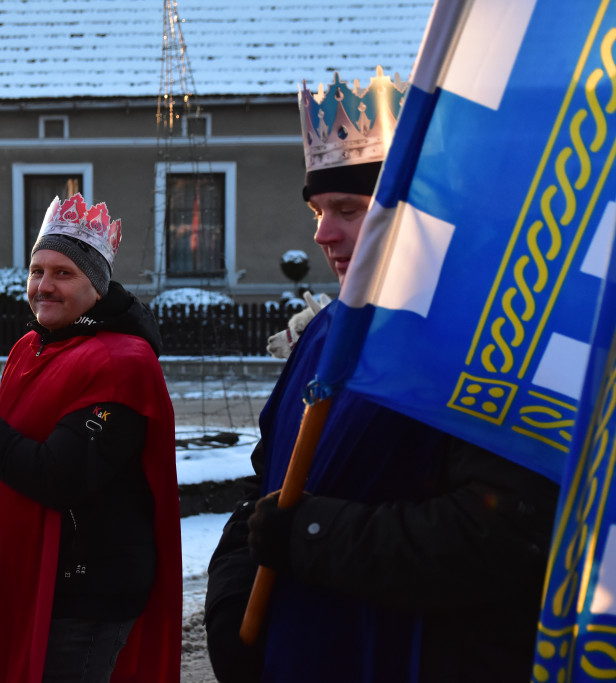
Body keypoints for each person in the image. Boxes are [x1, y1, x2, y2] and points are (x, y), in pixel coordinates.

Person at [203, 69, 559, 683]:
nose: (322, 233)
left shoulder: (484, 342)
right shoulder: (323, 333)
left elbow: (503, 532)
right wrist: (233, 605)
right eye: (317, 209)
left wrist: (311, 534)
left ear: (415, 213)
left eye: (347, 209)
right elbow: (265, 491)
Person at [0, 193, 182, 683]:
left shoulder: (121, 363)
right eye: (36, 271)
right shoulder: (30, 347)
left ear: (97, 285)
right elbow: (29, 432)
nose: (43, 286)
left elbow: (61, 475)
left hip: (87, 591)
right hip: (35, 576)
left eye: (63, 273)